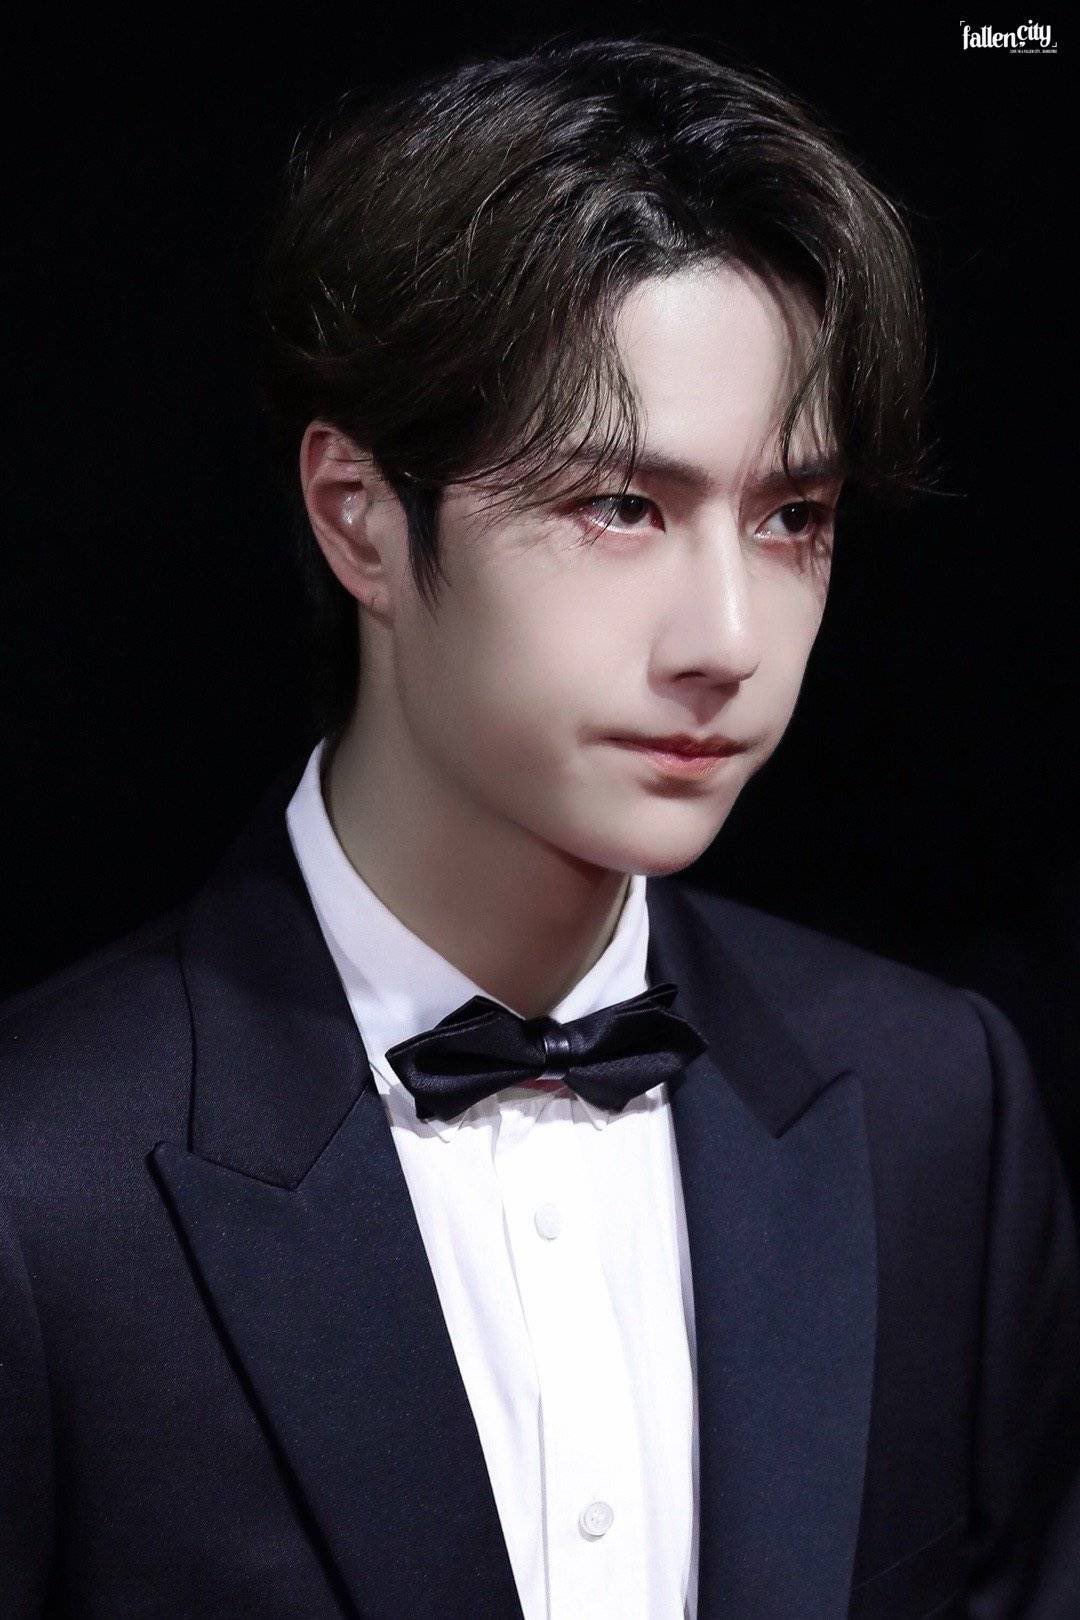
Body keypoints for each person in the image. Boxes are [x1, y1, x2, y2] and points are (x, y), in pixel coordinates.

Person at [1, 36, 1077, 1620]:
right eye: (618, 507)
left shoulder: (937, 1111)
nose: (727, 637)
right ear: (361, 517)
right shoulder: (41, 1182)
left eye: (792, 517)